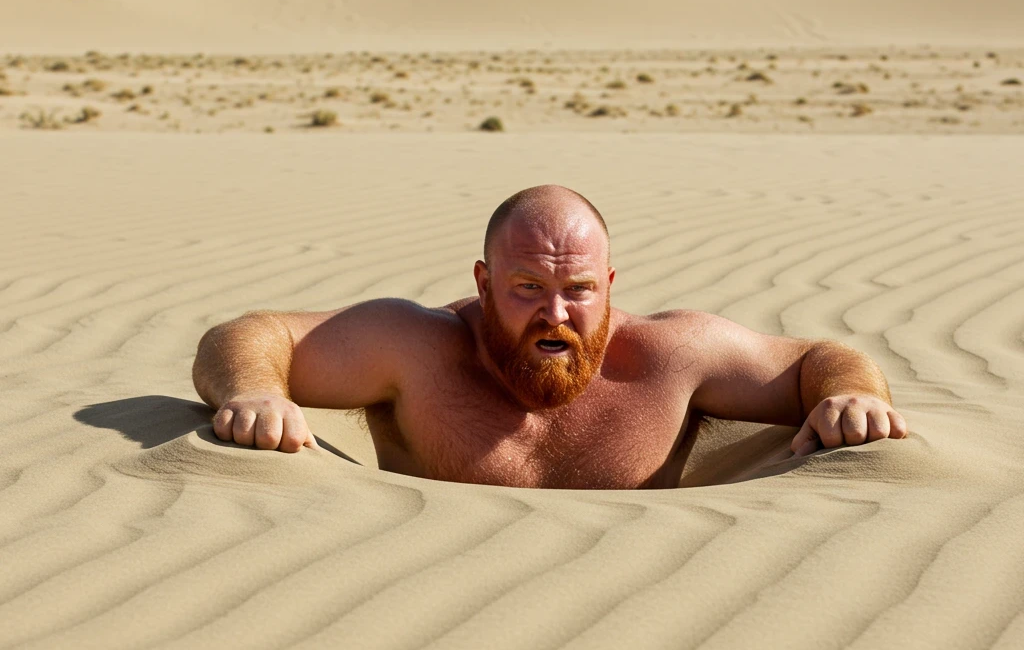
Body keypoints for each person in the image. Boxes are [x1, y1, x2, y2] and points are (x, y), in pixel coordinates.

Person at [192, 184, 907, 489]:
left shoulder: (671, 358)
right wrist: (255, 390)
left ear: (609, 285)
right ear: (483, 283)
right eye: (528, 287)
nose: (556, 314)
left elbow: (822, 359)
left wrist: (848, 395)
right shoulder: (415, 347)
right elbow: (251, 333)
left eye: (580, 290)